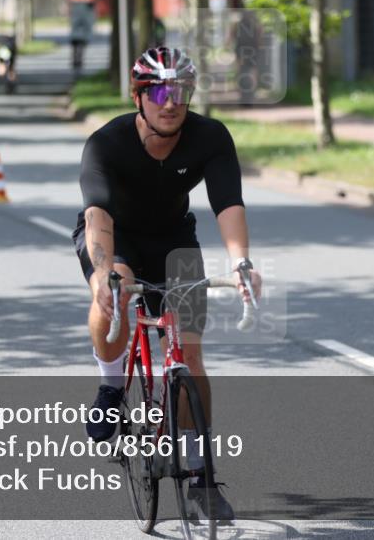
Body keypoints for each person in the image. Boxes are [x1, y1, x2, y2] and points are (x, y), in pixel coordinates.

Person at [73, 46, 262, 521]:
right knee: (115, 288)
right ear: (137, 96)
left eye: (179, 90)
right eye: (158, 90)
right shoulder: (106, 144)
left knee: (190, 352)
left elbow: (228, 204)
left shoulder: (209, 137)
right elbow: (97, 215)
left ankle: (200, 477)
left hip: (174, 239)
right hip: (113, 235)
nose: (170, 101)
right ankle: (111, 387)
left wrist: (241, 263)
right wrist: (102, 273)